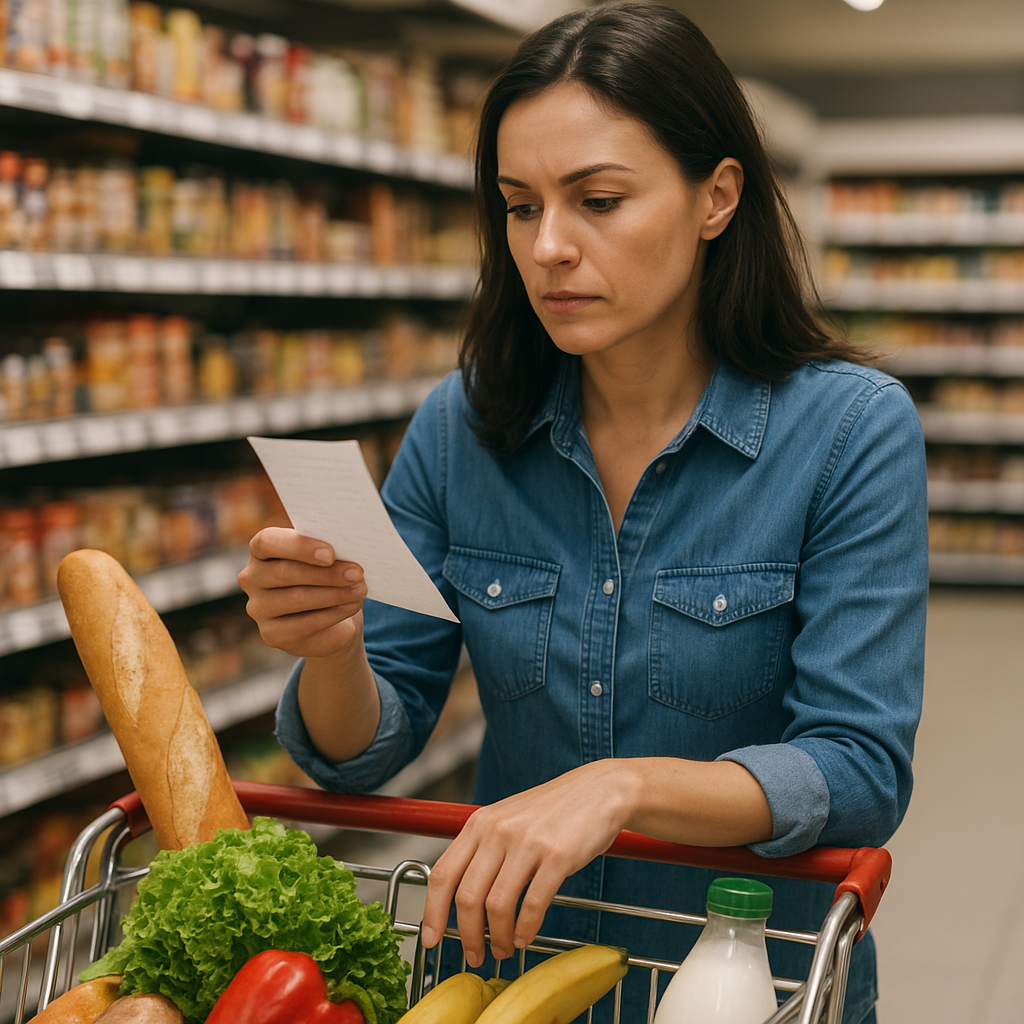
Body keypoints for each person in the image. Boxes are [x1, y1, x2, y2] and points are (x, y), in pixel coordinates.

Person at [238, 4, 928, 1022]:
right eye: (520, 206)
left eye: (597, 199)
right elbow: (363, 748)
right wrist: (334, 647)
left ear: (716, 196)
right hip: (504, 974)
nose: (549, 246)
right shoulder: (462, 424)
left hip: (742, 977)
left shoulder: (848, 432)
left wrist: (618, 787)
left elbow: (857, 768)